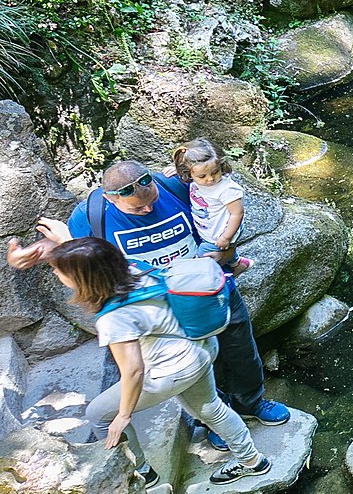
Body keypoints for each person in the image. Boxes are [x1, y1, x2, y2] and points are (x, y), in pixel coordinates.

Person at [6, 160, 289, 442]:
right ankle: (216, 421)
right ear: (110, 198)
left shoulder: (174, 186)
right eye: (137, 208)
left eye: (151, 201)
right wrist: (31, 253)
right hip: (158, 306)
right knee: (195, 366)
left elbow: (219, 204)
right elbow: (77, 252)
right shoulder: (91, 215)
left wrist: (224, 249)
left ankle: (251, 402)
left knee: (240, 348)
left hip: (208, 289)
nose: (148, 209)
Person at [48, 237, 271, 486]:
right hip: (200, 346)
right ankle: (253, 461)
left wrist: (123, 415)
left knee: (100, 414)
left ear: (82, 278)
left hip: (174, 368)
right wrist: (52, 247)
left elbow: (133, 371)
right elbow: (92, 256)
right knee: (211, 408)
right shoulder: (133, 268)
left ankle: (141, 474)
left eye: (60, 270)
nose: (56, 273)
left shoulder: (114, 318)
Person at [174, 138, 252, 275]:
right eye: (202, 176)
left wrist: (226, 238)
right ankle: (237, 264)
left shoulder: (226, 189)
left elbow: (237, 213)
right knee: (225, 252)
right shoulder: (195, 178)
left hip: (220, 234)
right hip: (209, 229)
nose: (210, 179)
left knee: (201, 259)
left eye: (215, 172)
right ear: (188, 173)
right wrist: (173, 170)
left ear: (221, 166)